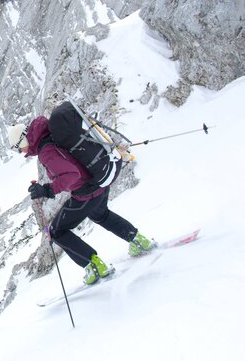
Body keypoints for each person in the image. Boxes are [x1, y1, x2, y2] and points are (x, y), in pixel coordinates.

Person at [8, 117, 155, 285]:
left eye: (19, 148)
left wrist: (48, 190)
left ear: (24, 139)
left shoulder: (46, 151)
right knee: (100, 214)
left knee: (56, 231)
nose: (22, 152)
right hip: (99, 180)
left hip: (86, 192)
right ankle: (137, 240)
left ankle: (94, 266)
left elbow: (72, 175)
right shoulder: (51, 134)